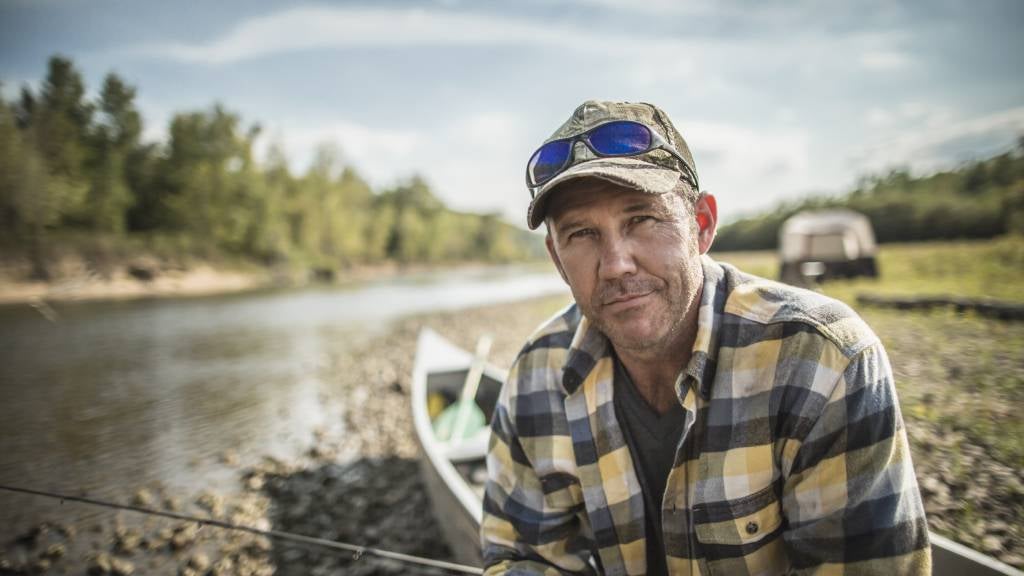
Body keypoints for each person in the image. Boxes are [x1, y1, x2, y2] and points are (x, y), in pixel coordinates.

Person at [480, 100, 931, 575]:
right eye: (582, 234)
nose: (615, 264)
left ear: (702, 224)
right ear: (556, 258)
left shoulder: (823, 359)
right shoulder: (536, 375)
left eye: (641, 220)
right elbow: (523, 559)